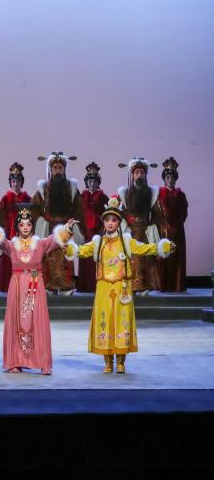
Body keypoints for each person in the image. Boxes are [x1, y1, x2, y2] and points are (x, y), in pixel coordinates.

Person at [58, 196, 174, 373]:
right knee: (105, 321)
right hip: (104, 288)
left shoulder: (126, 242)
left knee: (121, 322)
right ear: (103, 222)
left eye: (114, 220)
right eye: (107, 220)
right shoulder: (98, 243)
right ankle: (108, 362)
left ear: (119, 223)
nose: (110, 223)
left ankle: (121, 361)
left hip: (122, 288)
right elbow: (80, 251)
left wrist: (162, 247)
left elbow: (145, 248)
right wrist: (68, 243)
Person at [0, 206, 75, 375]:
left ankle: (43, 363)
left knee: (37, 321)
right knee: (16, 321)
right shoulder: (12, 245)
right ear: (17, 227)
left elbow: (55, 239)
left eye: (28, 224)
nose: (25, 227)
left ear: (32, 226)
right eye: (22, 225)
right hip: (17, 284)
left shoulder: (40, 244)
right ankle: (15, 361)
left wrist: (68, 228)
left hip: (35, 281)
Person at [30, 151, 85, 294]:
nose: (58, 170)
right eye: (55, 167)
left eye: (60, 167)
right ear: (50, 170)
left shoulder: (71, 188)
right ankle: (50, 287)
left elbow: (79, 209)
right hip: (49, 229)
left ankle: (66, 287)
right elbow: (34, 208)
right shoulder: (43, 189)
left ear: (64, 169)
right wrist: (42, 222)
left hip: (67, 229)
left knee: (66, 258)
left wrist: (77, 227)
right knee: (49, 259)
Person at [117, 157, 164, 294]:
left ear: (145, 175)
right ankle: (129, 286)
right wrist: (123, 227)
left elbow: (157, 213)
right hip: (129, 231)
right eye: (136, 172)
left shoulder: (151, 193)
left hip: (145, 231)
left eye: (142, 173)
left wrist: (153, 227)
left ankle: (144, 286)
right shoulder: (124, 193)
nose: (139, 175)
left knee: (146, 259)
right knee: (130, 259)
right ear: (132, 175)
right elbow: (119, 213)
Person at [0, 163, 31, 293]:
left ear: (21, 182)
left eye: (18, 181)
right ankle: (7, 285)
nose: (15, 183)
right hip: (9, 231)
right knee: (8, 257)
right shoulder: (6, 198)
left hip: (23, 231)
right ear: (10, 183)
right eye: (13, 181)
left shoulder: (26, 197)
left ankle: (23, 284)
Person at [157, 157, 188, 292]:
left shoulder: (181, 195)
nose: (170, 180)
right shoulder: (159, 194)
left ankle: (177, 285)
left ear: (175, 179)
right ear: (164, 179)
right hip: (163, 230)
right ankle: (163, 285)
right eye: (167, 177)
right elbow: (155, 212)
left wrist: (177, 225)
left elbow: (184, 212)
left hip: (177, 230)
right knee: (164, 257)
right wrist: (162, 225)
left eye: (172, 177)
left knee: (176, 257)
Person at [77, 162, 107, 293]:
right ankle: (84, 286)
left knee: (96, 259)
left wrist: (103, 231)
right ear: (86, 182)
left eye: (95, 181)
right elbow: (77, 213)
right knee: (85, 258)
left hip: (97, 232)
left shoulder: (103, 197)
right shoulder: (81, 197)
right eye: (90, 181)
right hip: (84, 231)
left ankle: (97, 286)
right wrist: (78, 230)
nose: (92, 183)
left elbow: (107, 215)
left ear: (98, 182)